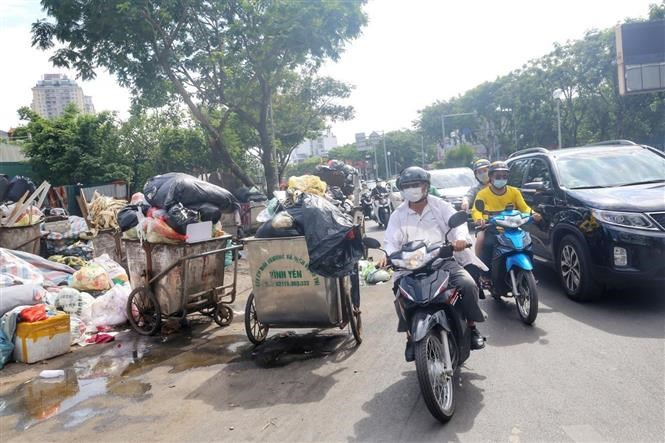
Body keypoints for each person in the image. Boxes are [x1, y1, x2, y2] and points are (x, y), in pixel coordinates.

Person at [379, 166, 486, 361]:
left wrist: (461, 239)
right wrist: (387, 255)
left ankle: (472, 326)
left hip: (442, 261)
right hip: (410, 266)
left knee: (468, 285)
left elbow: (459, 225)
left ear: (426, 186)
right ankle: (410, 337)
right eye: (408, 186)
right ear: (402, 189)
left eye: (416, 185)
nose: (413, 189)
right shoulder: (398, 215)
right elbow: (390, 241)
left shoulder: (440, 206)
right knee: (399, 295)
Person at [471, 161, 542, 273]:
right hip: (491, 226)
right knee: (488, 244)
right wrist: (479, 219)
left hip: (512, 227)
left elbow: (524, 207)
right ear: (491, 177)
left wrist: (533, 214)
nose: (501, 179)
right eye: (498, 176)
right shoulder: (482, 194)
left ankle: (531, 272)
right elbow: (476, 210)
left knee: (527, 243)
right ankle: (483, 272)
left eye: (504, 176)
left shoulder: (514, 192)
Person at [462, 159, 491, 258]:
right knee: (480, 238)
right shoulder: (476, 189)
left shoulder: (501, 186)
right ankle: (480, 266)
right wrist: (465, 202)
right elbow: (468, 196)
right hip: (484, 223)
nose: (483, 174)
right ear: (476, 175)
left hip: (505, 220)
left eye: (485, 170)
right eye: (480, 172)